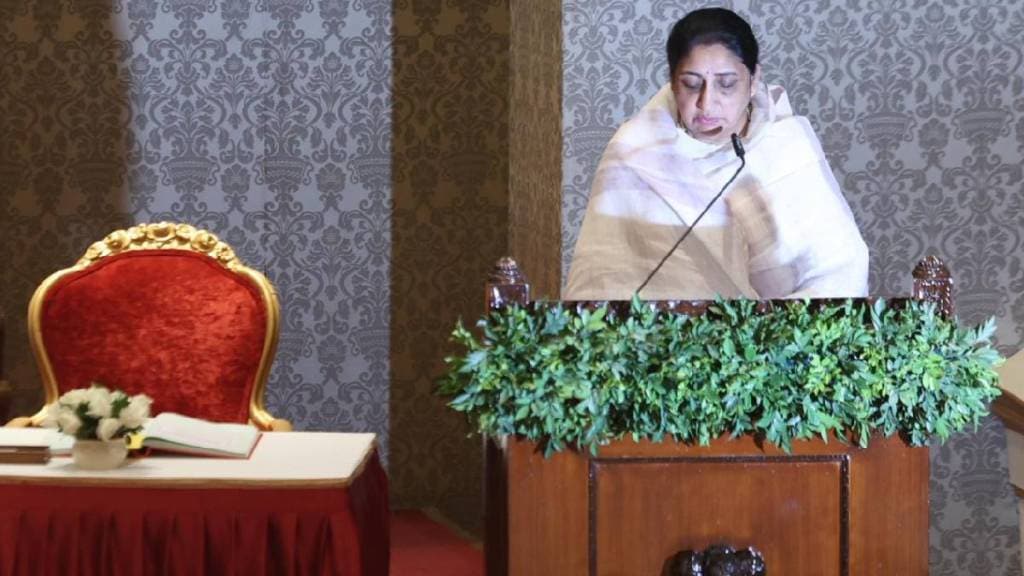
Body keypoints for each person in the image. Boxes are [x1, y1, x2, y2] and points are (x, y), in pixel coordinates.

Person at [564, 8, 868, 301]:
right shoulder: (635, 151)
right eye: (691, 84)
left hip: (782, 333)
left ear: (753, 80)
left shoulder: (787, 146)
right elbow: (601, 286)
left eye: (727, 84)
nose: (707, 104)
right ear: (672, 82)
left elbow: (841, 272)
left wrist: (768, 328)